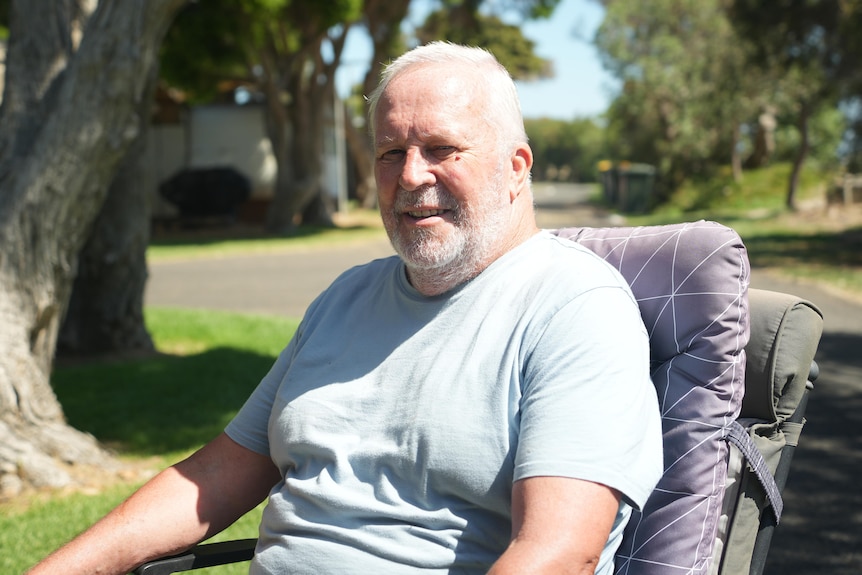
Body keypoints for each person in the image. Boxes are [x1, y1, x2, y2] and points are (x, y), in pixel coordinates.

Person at [28, 42, 662, 575]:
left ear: (516, 166)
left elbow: (556, 554)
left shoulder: (576, 309)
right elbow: (218, 475)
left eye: (441, 148)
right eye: (391, 152)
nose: (411, 175)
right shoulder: (347, 297)